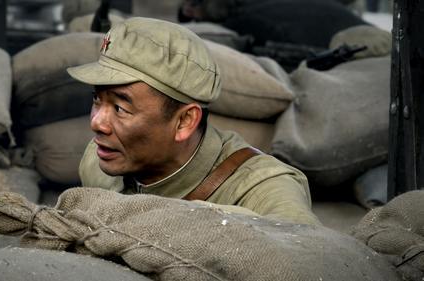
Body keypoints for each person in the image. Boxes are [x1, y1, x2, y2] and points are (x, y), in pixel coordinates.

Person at [67, 17, 320, 225]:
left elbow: (304, 249)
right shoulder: (98, 161)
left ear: (185, 121)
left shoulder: (261, 187)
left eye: (120, 107)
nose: (97, 123)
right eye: (97, 100)